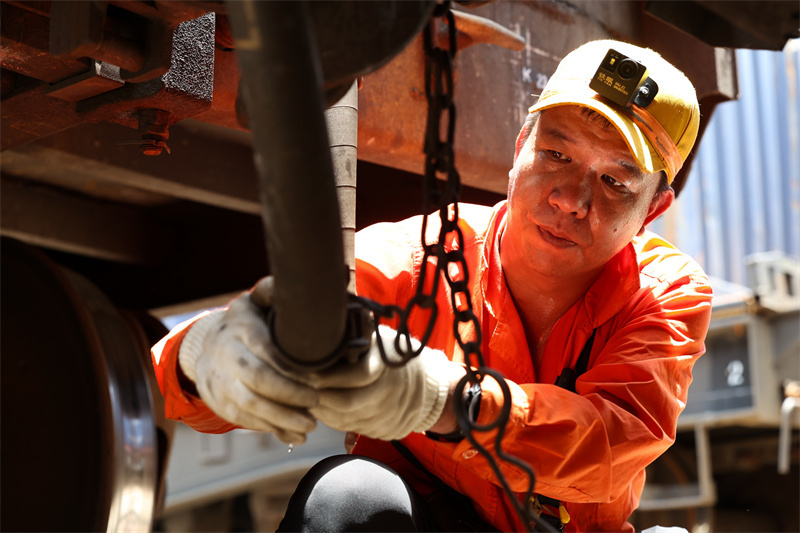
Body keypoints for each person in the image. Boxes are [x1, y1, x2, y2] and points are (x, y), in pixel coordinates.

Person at [151, 39, 712, 532]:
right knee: (348, 496)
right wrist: (203, 357)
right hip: (424, 523)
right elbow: (185, 371)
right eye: (556, 154)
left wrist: (445, 401)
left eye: (614, 180)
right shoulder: (418, 257)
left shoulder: (665, 293)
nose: (570, 198)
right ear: (520, 150)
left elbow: (610, 446)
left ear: (654, 208)